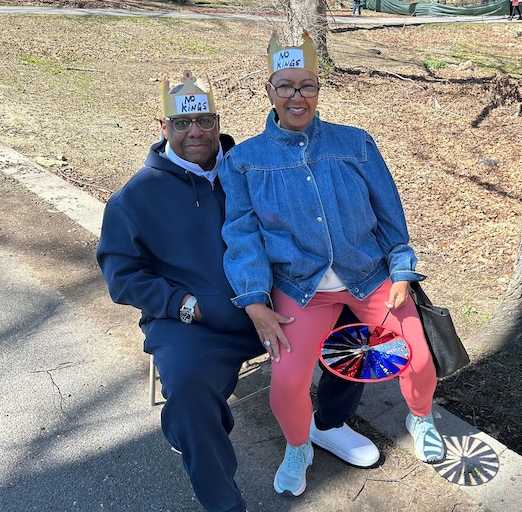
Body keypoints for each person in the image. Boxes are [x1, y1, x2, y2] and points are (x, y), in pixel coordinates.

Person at [96, 69, 379, 512]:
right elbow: (122, 274)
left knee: (355, 327)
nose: (195, 132)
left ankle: (329, 423)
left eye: (205, 120)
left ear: (218, 120)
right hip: (197, 321)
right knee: (190, 393)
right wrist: (185, 307)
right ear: (163, 127)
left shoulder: (255, 164)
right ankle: (220, 496)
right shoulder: (134, 198)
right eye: (182, 123)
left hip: (281, 299)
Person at [217, 32, 446, 498]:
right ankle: (299, 446)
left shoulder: (356, 144)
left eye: (307, 86)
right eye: (286, 86)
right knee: (286, 383)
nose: (297, 97)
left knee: (418, 359)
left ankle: (419, 418)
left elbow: (390, 215)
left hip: (371, 278)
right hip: (299, 288)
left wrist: (401, 270)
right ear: (269, 91)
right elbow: (242, 236)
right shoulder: (243, 161)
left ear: (319, 90)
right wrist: (254, 300)